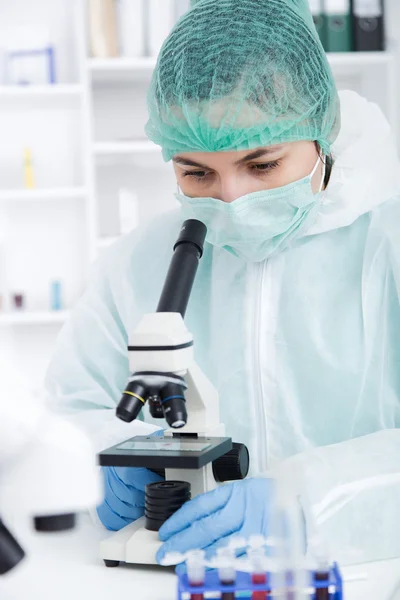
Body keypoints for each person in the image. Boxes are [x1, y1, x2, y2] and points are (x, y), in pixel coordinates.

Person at [45, 0, 400, 566]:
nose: (231, 199)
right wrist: (104, 461)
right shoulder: (140, 262)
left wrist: (312, 502)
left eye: (263, 165)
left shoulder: (389, 242)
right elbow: (69, 410)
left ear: (322, 130)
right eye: (196, 172)